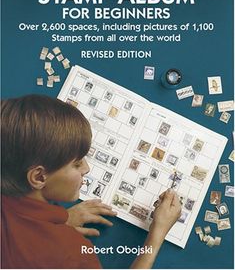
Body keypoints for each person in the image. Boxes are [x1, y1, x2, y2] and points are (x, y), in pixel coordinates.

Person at [1, 94, 181, 269]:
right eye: (77, 164)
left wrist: (61, 219)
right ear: (39, 177)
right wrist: (157, 234)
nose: (86, 168)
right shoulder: (70, 254)